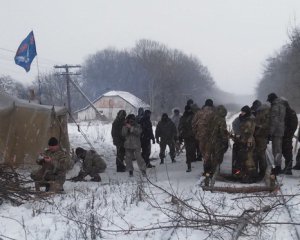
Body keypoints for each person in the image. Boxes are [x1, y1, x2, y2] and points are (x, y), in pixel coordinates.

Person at [231, 106, 257, 183]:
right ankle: (242, 175)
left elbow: (248, 133)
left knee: (248, 160)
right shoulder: (244, 119)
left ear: (247, 112)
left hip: (248, 142)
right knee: (242, 159)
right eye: (241, 112)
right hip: (242, 141)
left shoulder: (250, 120)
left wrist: (240, 136)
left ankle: (250, 177)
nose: (241, 113)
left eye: (243, 112)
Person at [267, 93, 286, 175]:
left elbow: (274, 121)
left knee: (277, 150)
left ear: (272, 99)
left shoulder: (275, 106)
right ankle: (277, 166)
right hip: (280, 129)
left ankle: (277, 168)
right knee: (278, 149)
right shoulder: (282, 104)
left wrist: (270, 132)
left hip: (276, 131)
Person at [252, 102, 270, 180]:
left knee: (261, 155)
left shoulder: (264, 113)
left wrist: (258, 127)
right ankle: (257, 172)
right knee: (257, 154)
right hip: (259, 136)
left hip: (262, 137)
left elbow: (267, 125)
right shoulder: (260, 113)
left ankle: (262, 173)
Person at [281, 99, 298, 175]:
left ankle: (288, 168)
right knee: (286, 151)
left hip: (287, 135)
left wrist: (288, 133)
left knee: (287, 151)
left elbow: (293, 125)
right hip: (287, 134)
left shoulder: (289, 113)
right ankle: (288, 168)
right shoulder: (290, 112)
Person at [178, 105, 197, 172]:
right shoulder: (185, 117)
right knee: (189, 151)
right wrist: (180, 136)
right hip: (189, 136)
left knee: (191, 151)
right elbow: (180, 127)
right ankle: (189, 165)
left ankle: (190, 162)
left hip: (193, 136)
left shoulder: (193, 116)